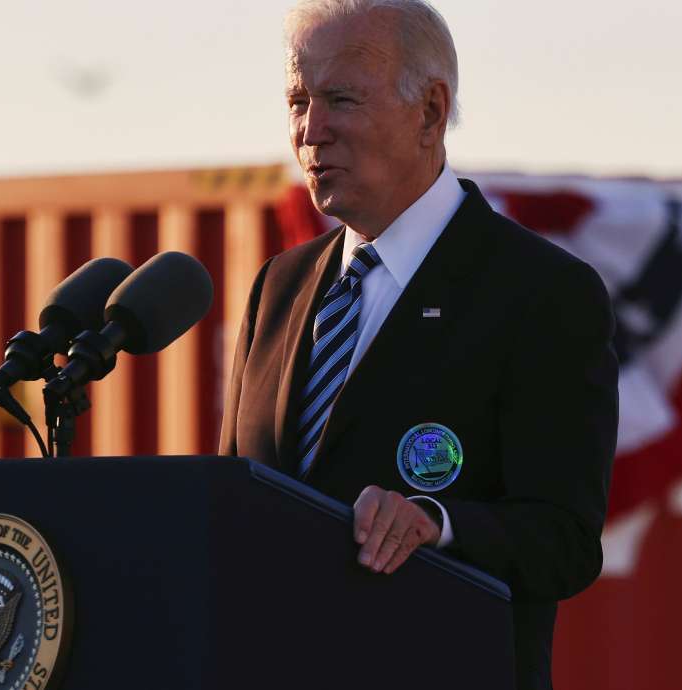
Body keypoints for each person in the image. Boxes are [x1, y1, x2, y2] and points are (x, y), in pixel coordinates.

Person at [217, 1, 619, 688]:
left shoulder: (541, 294)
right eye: (297, 100)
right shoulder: (277, 289)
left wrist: (438, 523)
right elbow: (228, 513)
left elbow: (565, 542)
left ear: (431, 111)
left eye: (339, 98)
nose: (311, 131)